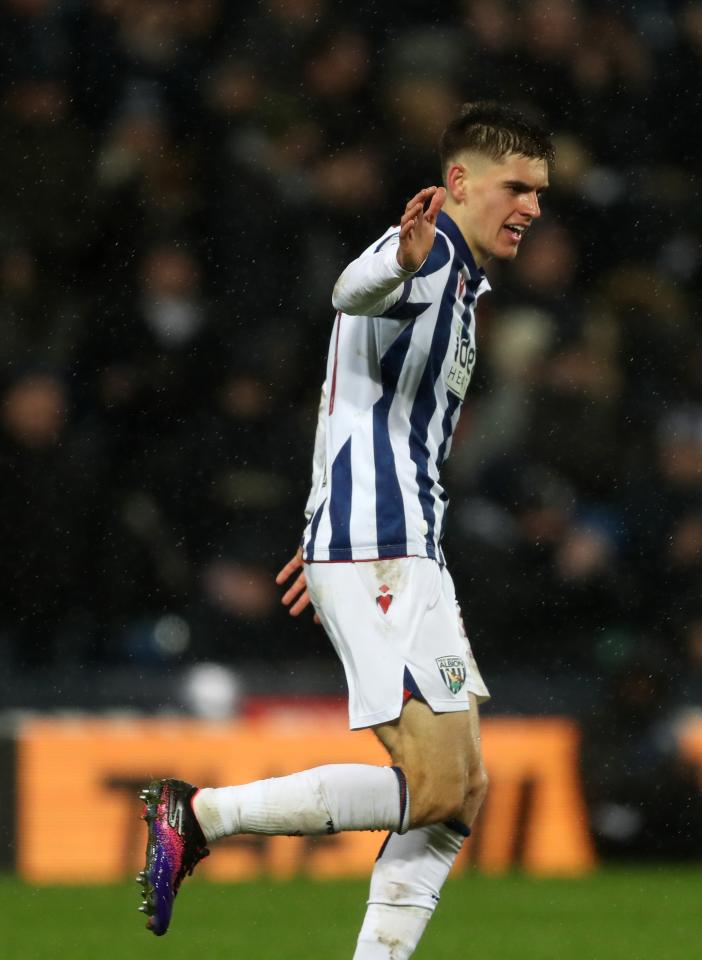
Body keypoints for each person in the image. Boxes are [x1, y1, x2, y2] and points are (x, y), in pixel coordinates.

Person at [136, 103, 553, 959]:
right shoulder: (428, 250)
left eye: (541, 194)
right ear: (459, 183)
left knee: (461, 791)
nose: (532, 209)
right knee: (439, 785)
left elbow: (359, 400)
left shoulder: (466, 281)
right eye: (517, 187)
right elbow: (351, 288)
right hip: (381, 547)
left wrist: (328, 530)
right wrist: (397, 257)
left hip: (390, 544)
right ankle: (203, 815)